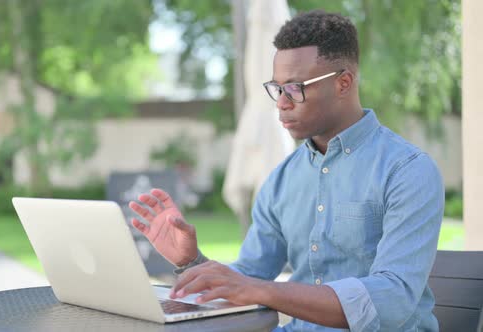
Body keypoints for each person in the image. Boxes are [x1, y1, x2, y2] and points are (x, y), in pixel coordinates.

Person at [129, 10, 443, 332]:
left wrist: (263, 291)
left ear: (343, 83)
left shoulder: (407, 171)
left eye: (295, 88)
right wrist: (191, 261)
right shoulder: (281, 180)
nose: (281, 103)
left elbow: (392, 300)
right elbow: (247, 279)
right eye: (277, 88)